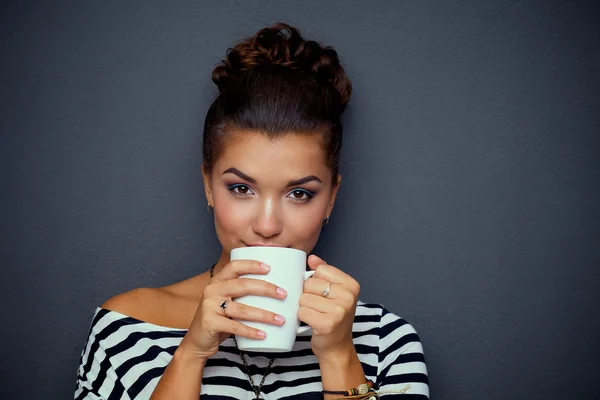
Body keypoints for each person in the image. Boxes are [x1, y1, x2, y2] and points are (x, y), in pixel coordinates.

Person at [74, 22, 429, 400]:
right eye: (241, 189)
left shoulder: (383, 340)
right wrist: (191, 355)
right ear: (208, 185)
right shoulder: (127, 329)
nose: (267, 225)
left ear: (331, 198)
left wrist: (340, 356)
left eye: (299, 194)